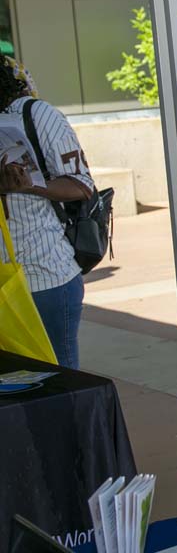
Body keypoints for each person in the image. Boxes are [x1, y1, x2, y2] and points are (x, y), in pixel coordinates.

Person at [0, 64, 94, 369]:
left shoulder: (36, 115)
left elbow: (82, 185)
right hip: (5, 281)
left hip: (43, 279)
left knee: (58, 384)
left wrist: (30, 186)